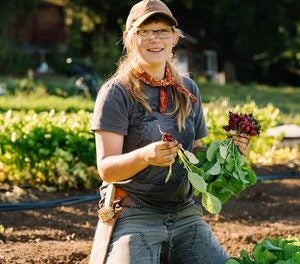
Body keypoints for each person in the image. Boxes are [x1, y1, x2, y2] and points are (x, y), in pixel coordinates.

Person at [89, 0, 251, 263]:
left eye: (162, 30)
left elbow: (198, 156)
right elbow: (106, 168)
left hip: (184, 213)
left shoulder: (187, 89)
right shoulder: (116, 93)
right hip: (135, 212)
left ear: (174, 38)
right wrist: (145, 157)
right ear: (130, 38)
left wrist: (229, 152)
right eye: (145, 31)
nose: (155, 38)